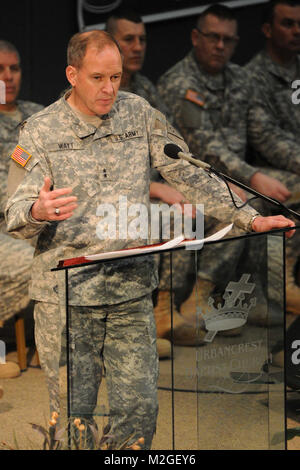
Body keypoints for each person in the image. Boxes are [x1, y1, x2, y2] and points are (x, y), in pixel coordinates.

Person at [4, 30, 294, 449]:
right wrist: (37, 210)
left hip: (129, 289)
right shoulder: (38, 132)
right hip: (67, 296)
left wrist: (249, 218)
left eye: (116, 78)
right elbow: (14, 214)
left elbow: (188, 172)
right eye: (98, 78)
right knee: (74, 419)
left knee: (139, 413)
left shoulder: (138, 112)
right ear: (72, 74)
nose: (109, 89)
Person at [157, 3, 299, 322]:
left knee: (292, 191)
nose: (221, 46)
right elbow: (206, 149)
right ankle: (201, 295)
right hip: (192, 178)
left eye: (228, 40)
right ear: (196, 37)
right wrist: (254, 175)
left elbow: (263, 133)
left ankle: (262, 289)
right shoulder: (180, 83)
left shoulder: (239, 78)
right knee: (244, 199)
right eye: (213, 37)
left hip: (235, 176)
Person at [106, 8, 200, 353]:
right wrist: (154, 187)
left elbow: (168, 144)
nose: (137, 47)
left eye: (142, 40)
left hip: (148, 192)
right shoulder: (91, 93)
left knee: (187, 210)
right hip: (106, 200)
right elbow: (94, 170)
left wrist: (185, 183)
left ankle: (165, 309)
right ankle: (138, 320)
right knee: (153, 212)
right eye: (128, 39)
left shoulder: (145, 88)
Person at [245, 0, 300, 315]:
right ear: (267, 29)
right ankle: (283, 282)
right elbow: (264, 137)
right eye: (287, 23)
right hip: (262, 169)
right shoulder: (252, 76)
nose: (296, 31)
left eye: (299, 24)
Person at [0, 40, 43, 379]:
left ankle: (51, 341)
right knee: (31, 258)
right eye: (0, 70)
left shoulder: (38, 116)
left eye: (14, 69)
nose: (8, 76)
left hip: (39, 216)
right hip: (4, 225)